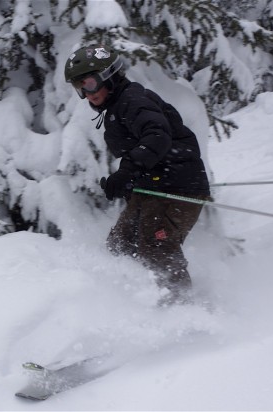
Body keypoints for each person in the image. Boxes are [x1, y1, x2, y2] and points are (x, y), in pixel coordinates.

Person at [64, 44, 211, 305]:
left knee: (155, 246)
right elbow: (146, 150)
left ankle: (183, 308)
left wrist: (128, 171)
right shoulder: (118, 106)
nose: (87, 94)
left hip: (178, 187)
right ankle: (128, 304)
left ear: (109, 75)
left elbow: (157, 136)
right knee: (120, 246)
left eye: (89, 83)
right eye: (80, 88)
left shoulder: (133, 100)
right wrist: (129, 181)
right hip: (155, 187)